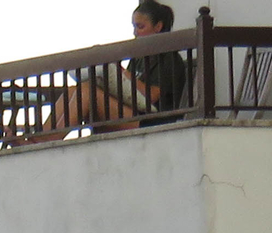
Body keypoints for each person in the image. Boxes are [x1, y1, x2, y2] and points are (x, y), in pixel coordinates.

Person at [30, 3, 190, 144]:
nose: (135, 33)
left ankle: (48, 140)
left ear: (158, 27)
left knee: (88, 92)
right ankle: (41, 136)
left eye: (140, 27)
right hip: (131, 112)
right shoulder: (140, 58)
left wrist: (121, 73)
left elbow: (151, 97)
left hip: (151, 120)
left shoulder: (169, 59)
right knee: (75, 89)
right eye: (134, 27)